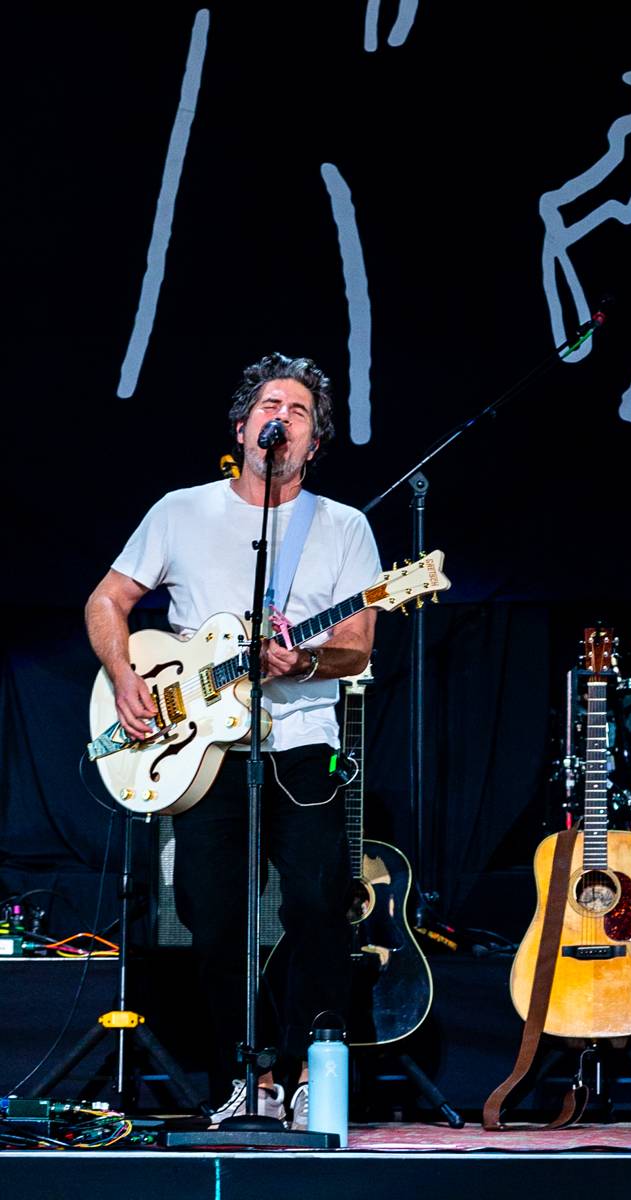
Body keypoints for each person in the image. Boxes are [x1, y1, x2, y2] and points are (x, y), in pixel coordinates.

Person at [85, 352, 381, 1128]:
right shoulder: (181, 511)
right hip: (201, 747)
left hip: (304, 738)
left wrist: (306, 658)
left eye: (301, 411)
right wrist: (124, 674)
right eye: (269, 404)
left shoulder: (344, 526)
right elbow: (108, 600)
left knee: (319, 904)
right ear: (245, 425)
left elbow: (358, 643)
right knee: (212, 915)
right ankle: (239, 1075)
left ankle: (312, 1061)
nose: (281, 417)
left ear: (314, 442)